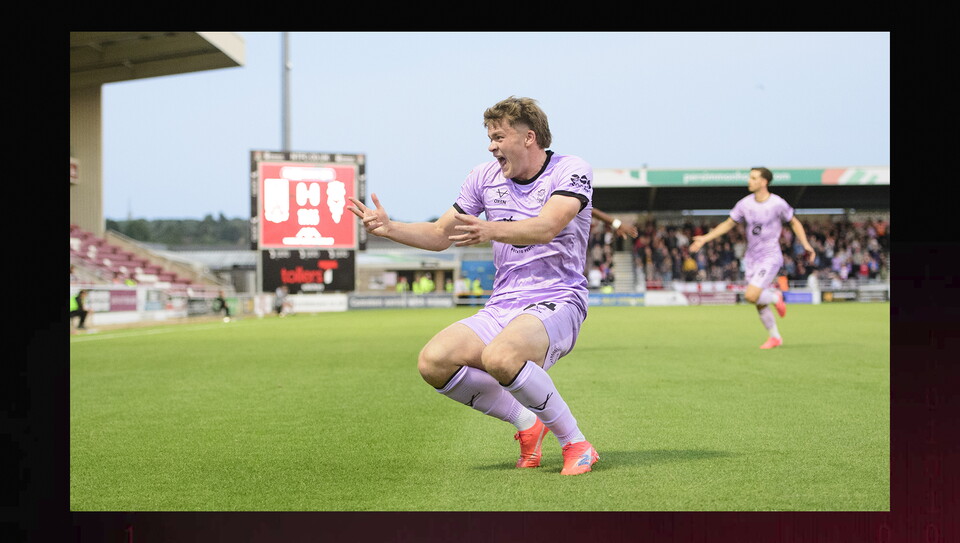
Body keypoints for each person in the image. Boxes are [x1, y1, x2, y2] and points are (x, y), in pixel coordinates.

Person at [347, 96, 599, 475]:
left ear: (529, 137)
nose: (491, 145)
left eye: (498, 137)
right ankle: (527, 423)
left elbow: (548, 227)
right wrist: (390, 228)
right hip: (503, 304)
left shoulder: (570, 169)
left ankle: (576, 443)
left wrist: (489, 229)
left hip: (557, 297)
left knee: (501, 357)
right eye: (489, 137)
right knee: (433, 361)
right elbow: (439, 234)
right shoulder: (483, 177)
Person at [689, 167, 815, 349]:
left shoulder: (777, 203)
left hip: (770, 255)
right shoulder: (745, 204)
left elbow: (794, 222)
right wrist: (705, 238)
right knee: (757, 302)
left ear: (764, 182)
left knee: (751, 295)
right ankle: (775, 337)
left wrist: (806, 245)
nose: (750, 181)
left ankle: (775, 297)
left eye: (754, 178)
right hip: (752, 258)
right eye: (750, 177)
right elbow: (728, 224)